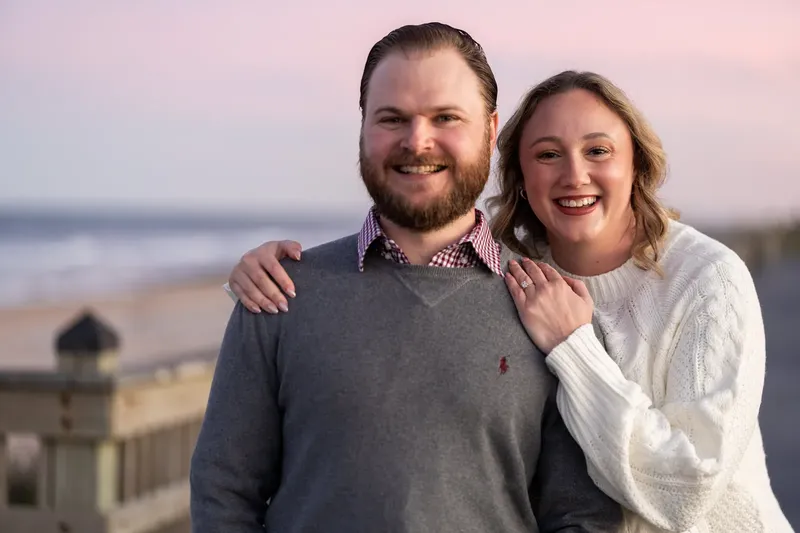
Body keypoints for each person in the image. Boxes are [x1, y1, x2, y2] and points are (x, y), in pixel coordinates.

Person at [225, 68, 795, 531]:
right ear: (520, 173)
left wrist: (575, 346)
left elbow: (687, 495)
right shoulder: (521, 276)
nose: (575, 174)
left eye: (598, 150)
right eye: (548, 154)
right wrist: (261, 271)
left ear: (636, 163)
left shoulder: (707, 279)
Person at [190, 22, 622, 533]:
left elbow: (582, 516)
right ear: (362, 129)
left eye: (445, 118)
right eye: (392, 118)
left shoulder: (554, 310)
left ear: (490, 129)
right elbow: (224, 493)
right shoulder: (280, 293)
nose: (417, 142)